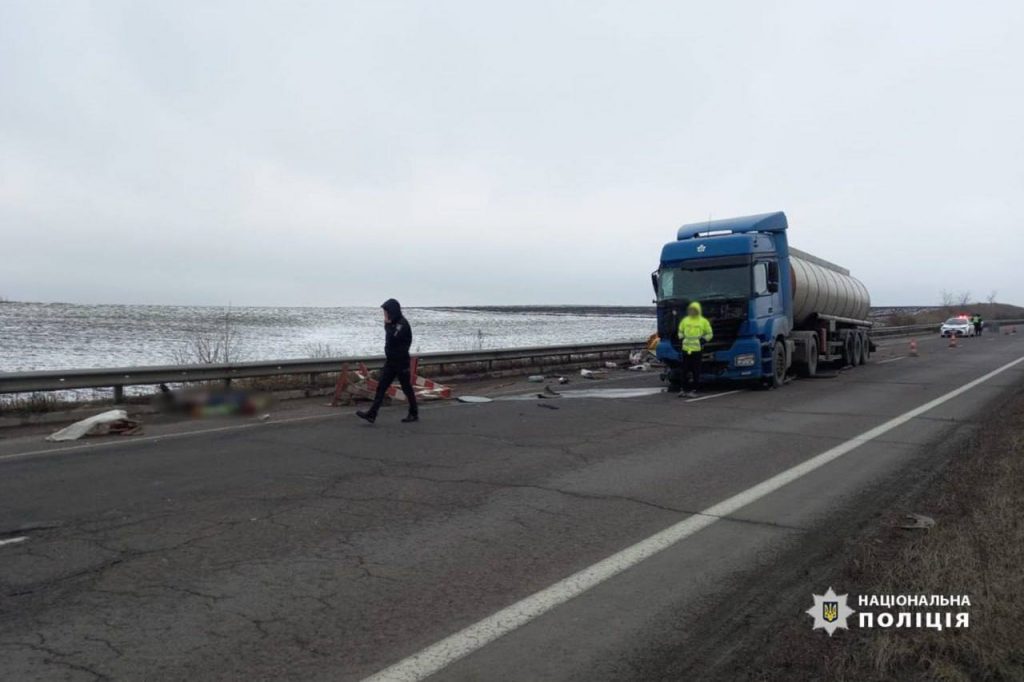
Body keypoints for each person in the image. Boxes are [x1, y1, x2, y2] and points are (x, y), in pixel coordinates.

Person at [356, 299, 419, 424]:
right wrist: (388, 324)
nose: (384, 315)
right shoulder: (393, 323)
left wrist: (387, 324)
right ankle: (372, 414)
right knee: (381, 387)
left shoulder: (402, 324)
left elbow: (393, 337)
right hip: (391, 361)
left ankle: (414, 412)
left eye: (386, 312)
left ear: (392, 311)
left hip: (401, 362)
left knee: (406, 388)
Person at [676, 301, 713, 398]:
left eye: (694, 310)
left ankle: (694, 390)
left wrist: (703, 340)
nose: (692, 311)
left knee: (695, 371)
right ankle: (683, 389)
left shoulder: (703, 321)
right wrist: (681, 338)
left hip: (697, 350)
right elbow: (680, 331)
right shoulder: (685, 320)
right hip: (685, 349)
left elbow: (709, 333)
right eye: (691, 310)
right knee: (684, 370)